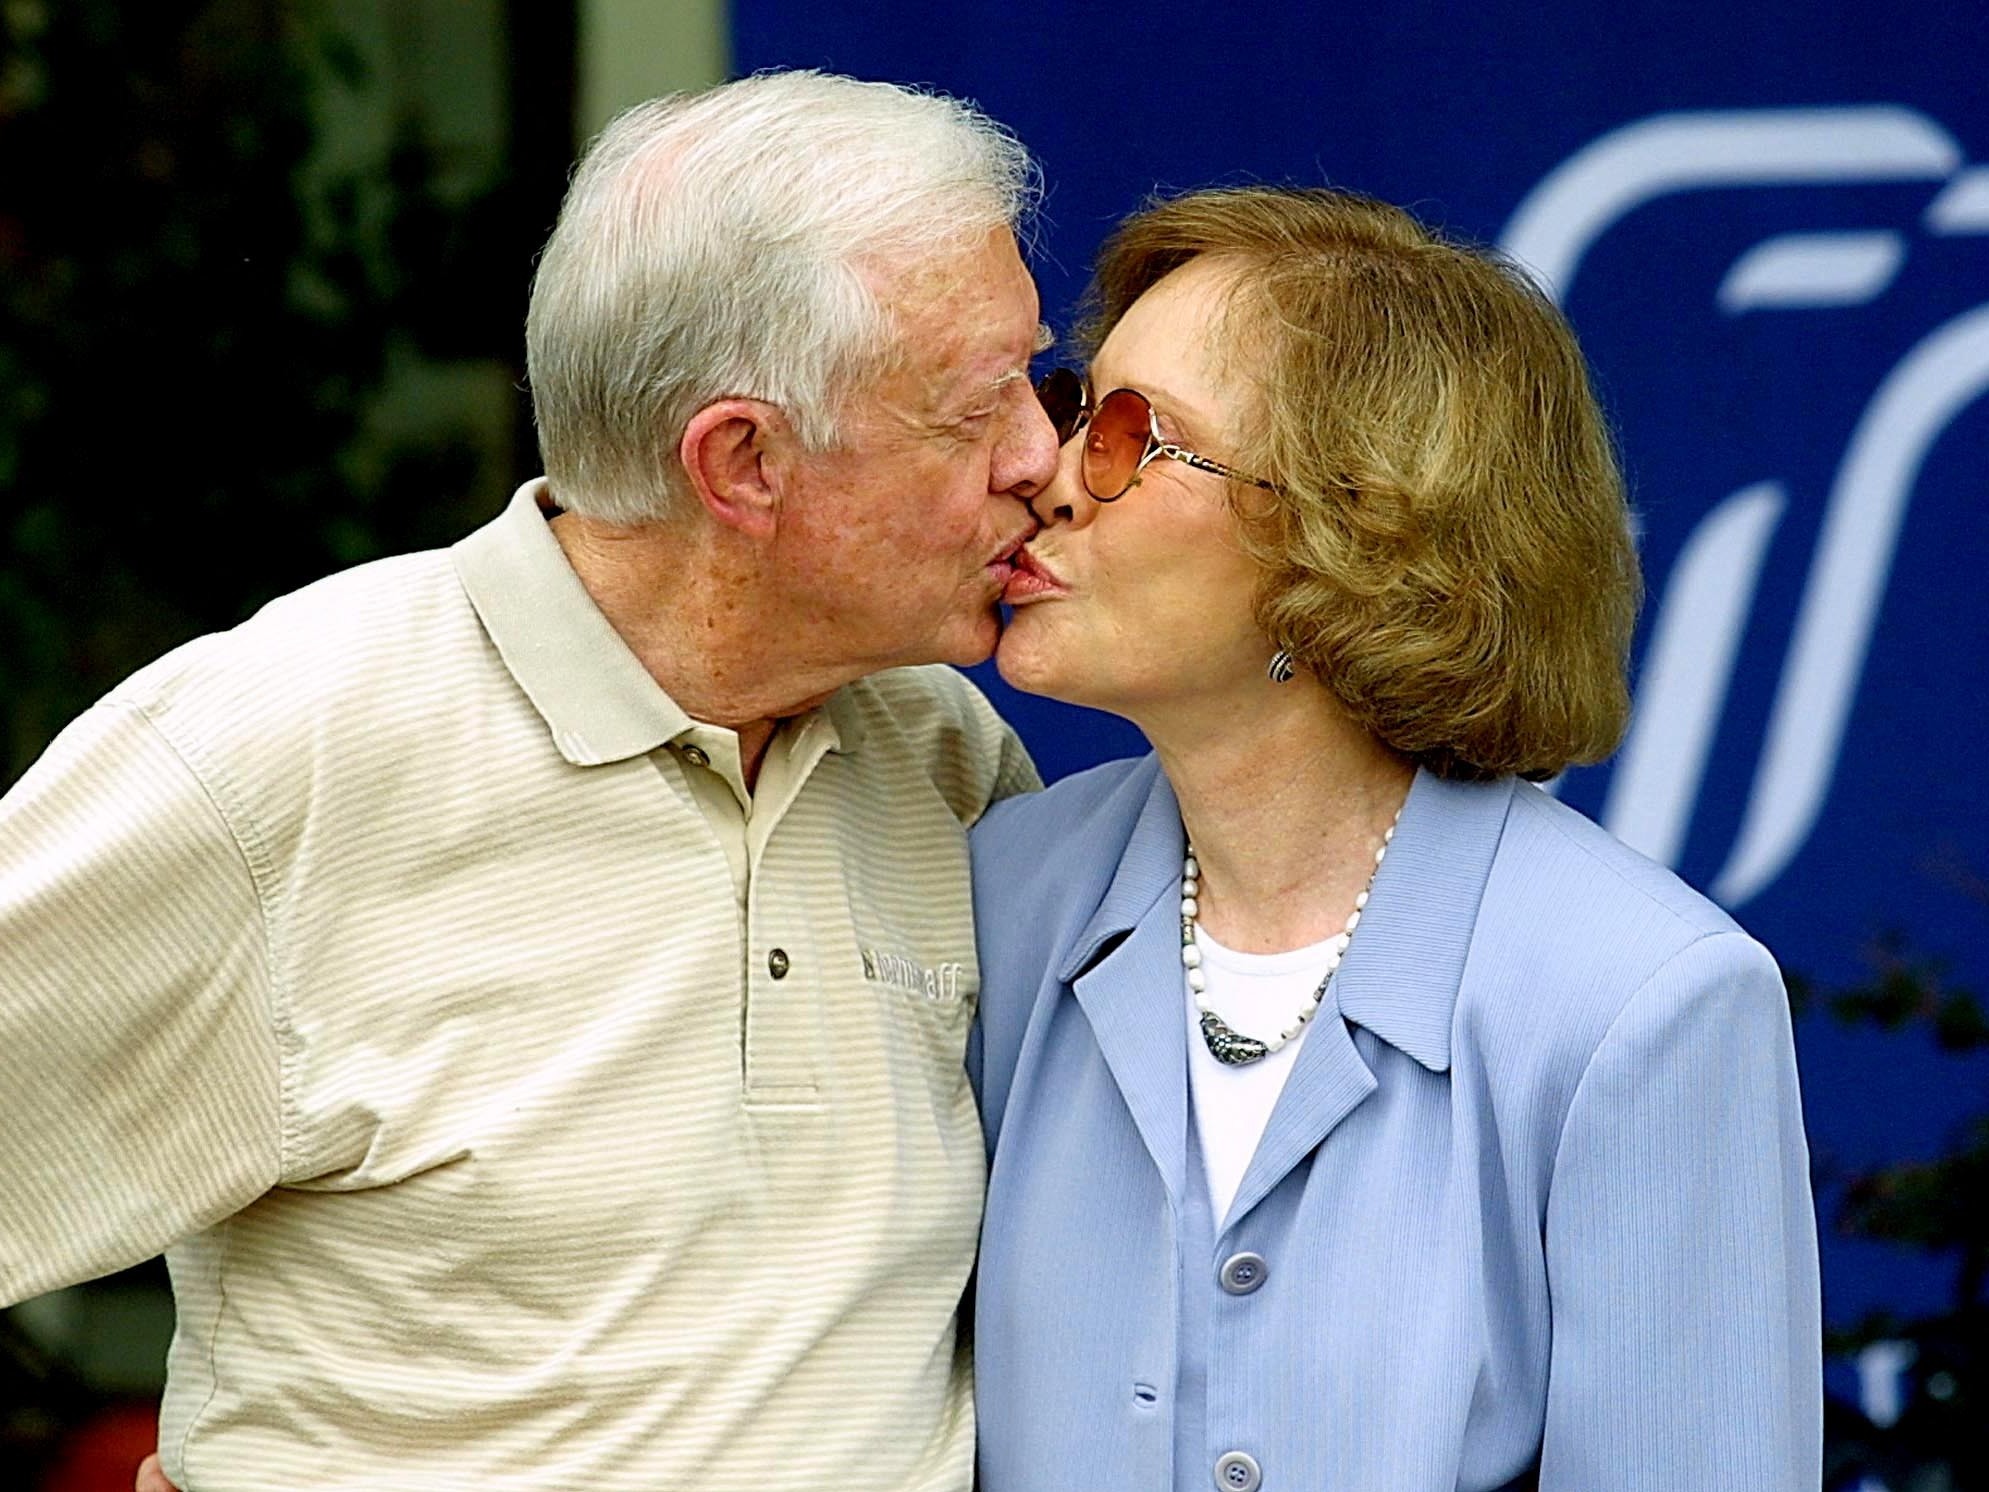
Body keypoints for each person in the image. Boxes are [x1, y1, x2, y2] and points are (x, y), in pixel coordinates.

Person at [0, 70, 1060, 1490]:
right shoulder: (278, 752)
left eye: (1036, 383)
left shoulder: (944, 752)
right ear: (741, 463)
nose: (1043, 462)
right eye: (972, 412)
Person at [969, 185, 1822, 1489]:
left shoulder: (1641, 1000)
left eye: (1131, 436)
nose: (1048, 477)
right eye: (1077, 405)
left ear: (1355, 523)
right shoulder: (999, 895)